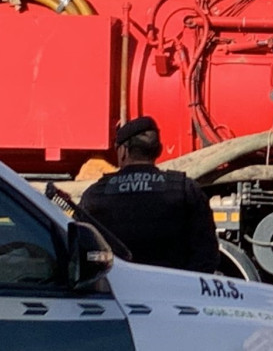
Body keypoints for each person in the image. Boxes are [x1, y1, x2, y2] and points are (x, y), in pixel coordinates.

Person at [80, 116, 220, 273]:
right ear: (159, 150)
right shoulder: (185, 189)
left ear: (123, 151)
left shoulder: (95, 195)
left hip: (118, 291)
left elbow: (82, 254)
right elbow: (207, 254)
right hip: (171, 291)